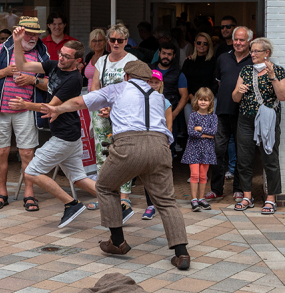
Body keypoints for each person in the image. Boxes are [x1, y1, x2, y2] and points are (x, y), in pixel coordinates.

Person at [42, 61, 191, 270]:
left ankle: (118, 241)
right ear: (148, 80)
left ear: (127, 76)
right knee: (166, 201)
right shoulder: (159, 97)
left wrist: (57, 108)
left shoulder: (118, 88)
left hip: (128, 146)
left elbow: (79, 102)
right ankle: (182, 254)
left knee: (104, 186)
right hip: (160, 147)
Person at [8, 28, 99, 227]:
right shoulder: (53, 66)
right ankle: (119, 204)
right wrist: (17, 41)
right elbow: (22, 64)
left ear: (78, 61)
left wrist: (25, 105)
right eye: (61, 54)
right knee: (79, 178)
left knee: (31, 172)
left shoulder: (73, 80)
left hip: (65, 137)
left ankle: (71, 204)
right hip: (70, 135)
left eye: (67, 57)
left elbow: (52, 107)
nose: (61, 59)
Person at [0, 16, 50, 211]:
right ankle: (2, 193)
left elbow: (51, 85)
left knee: (27, 152)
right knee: (1, 152)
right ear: (18, 32)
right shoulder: (2, 49)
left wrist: (31, 80)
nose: (33, 37)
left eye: (36, 34)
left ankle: (29, 194)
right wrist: (5, 72)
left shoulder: (42, 53)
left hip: (26, 109)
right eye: (29, 33)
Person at [232, 38, 285, 215]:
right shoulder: (246, 70)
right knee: (244, 158)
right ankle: (247, 196)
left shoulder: (278, 70)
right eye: (252, 51)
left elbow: (282, 96)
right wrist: (238, 91)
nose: (252, 54)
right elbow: (235, 98)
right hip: (246, 120)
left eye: (256, 51)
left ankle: (271, 199)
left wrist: (272, 76)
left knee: (270, 158)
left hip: (268, 121)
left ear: (267, 53)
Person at [88, 24, 138, 212]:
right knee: (102, 153)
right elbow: (95, 85)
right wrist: (102, 105)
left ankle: (124, 197)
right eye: (112, 40)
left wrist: (114, 108)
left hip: (122, 112)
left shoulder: (132, 61)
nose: (116, 43)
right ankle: (105, 195)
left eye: (120, 40)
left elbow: (133, 89)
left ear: (126, 41)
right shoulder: (102, 60)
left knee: (123, 152)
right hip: (101, 111)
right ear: (108, 41)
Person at [206, 26, 253, 202]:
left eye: (242, 40)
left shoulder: (253, 61)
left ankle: (239, 189)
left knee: (242, 152)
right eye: (236, 39)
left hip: (243, 114)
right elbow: (219, 83)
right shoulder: (222, 58)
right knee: (218, 150)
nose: (238, 43)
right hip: (222, 112)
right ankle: (216, 189)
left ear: (249, 41)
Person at [142, 70, 174, 220]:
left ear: (161, 84)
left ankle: (164, 203)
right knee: (146, 172)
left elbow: (169, 125)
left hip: (160, 139)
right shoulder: (140, 99)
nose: (153, 85)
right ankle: (150, 205)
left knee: (161, 173)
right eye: (150, 82)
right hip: (144, 138)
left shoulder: (164, 102)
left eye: (156, 82)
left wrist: (167, 141)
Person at [150, 40, 189, 156]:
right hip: (150, 113)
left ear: (174, 56)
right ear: (159, 53)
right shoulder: (149, 69)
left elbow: (185, 96)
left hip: (170, 113)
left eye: (169, 54)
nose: (166, 56)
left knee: (169, 146)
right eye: (163, 53)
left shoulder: (178, 73)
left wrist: (174, 114)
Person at [182, 88, 218, 212]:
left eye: (206, 100)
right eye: (201, 100)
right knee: (194, 174)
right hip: (193, 149)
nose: (203, 102)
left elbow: (213, 131)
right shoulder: (193, 115)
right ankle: (193, 199)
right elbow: (191, 132)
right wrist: (206, 135)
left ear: (210, 102)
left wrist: (200, 128)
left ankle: (201, 198)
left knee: (203, 175)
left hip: (207, 150)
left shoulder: (213, 117)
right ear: (197, 101)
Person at [181, 32, 217, 125]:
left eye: (205, 43)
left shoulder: (213, 61)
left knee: (207, 131)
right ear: (194, 43)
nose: (201, 45)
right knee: (192, 132)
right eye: (199, 42)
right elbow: (183, 81)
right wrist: (191, 98)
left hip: (208, 101)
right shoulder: (188, 61)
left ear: (209, 45)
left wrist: (204, 100)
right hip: (190, 101)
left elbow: (215, 82)